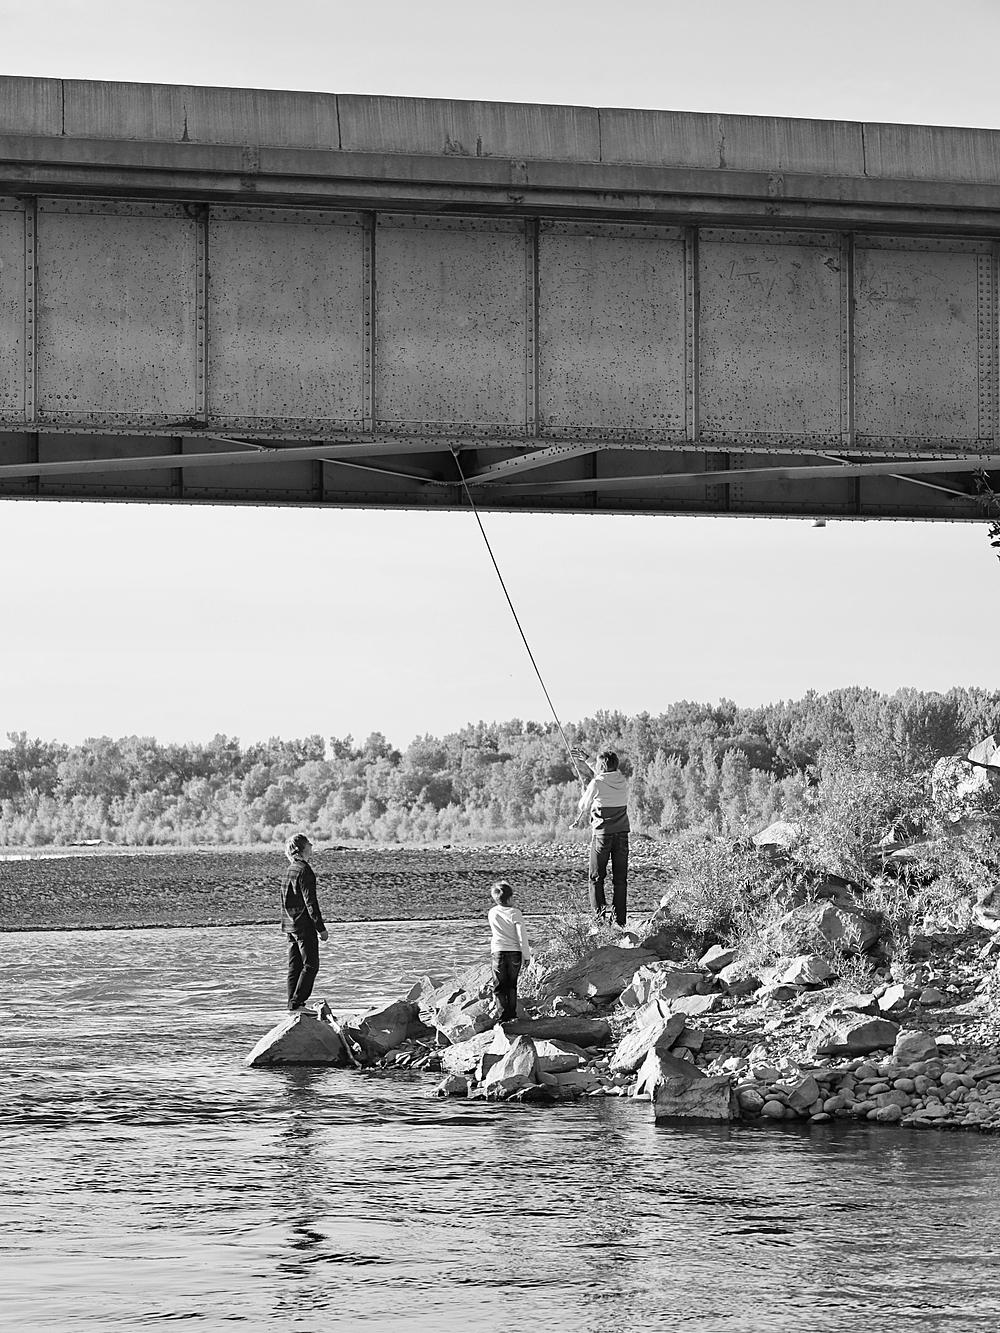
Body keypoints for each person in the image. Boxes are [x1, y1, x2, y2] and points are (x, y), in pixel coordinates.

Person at [571, 748, 630, 928]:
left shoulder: (596, 783)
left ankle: (599, 922)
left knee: (596, 878)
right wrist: (588, 760)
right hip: (622, 834)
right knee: (620, 880)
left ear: (601, 766)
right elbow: (605, 774)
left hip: (602, 835)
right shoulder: (622, 780)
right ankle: (619, 921)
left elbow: (583, 805)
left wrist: (585, 791)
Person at [280, 833, 328, 1013]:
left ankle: (292, 1005)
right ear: (300, 849)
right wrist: (320, 928)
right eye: (309, 843)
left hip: (290, 925)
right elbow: (311, 902)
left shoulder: (290, 870)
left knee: (295, 967)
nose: (312, 846)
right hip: (303, 925)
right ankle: (298, 1003)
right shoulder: (304, 870)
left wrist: (287, 923)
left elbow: (284, 901)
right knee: (311, 965)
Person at [487, 880, 531, 1024]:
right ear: (510, 898)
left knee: (499, 986)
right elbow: (522, 936)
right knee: (512, 985)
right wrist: (526, 955)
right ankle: (512, 1015)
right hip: (514, 952)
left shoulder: (492, 912)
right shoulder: (515, 913)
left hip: (498, 952)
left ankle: (502, 1016)